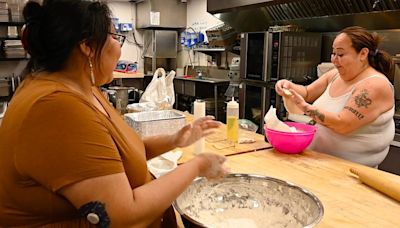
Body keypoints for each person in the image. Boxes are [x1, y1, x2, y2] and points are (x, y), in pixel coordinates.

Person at [0, 0, 228, 227]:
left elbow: (117, 156)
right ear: (87, 46)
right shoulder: (56, 106)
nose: (119, 49)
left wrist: (175, 140)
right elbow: (122, 216)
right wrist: (197, 166)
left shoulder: (84, 88)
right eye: (115, 36)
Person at [275, 26, 395, 168]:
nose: (334, 60)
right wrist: (289, 86)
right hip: (319, 163)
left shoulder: (374, 85)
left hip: (352, 172)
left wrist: (305, 108)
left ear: (363, 54)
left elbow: (343, 124)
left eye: (341, 54)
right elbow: (307, 92)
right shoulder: (335, 74)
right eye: (333, 53)